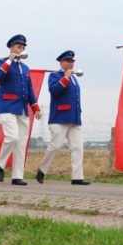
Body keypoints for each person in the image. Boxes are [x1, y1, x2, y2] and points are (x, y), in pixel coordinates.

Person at [0, 34, 42, 185]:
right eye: (18, 47)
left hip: (22, 108)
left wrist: (36, 108)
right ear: (11, 48)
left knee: (21, 143)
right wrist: (10, 59)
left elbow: (29, 90)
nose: (20, 49)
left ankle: (17, 176)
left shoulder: (26, 68)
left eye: (22, 47)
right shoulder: (2, 63)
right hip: (7, 106)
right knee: (13, 137)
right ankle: (0, 165)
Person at [36, 50, 89, 185]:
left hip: (74, 118)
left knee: (78, 147)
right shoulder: (55, 75)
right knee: (55, 146)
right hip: (59, 117)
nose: (71, 63)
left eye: (72, 61)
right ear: (61, 63)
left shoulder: (74, 78)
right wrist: (65, 78)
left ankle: (77, 177)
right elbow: (54, 91)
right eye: (68, 61)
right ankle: (42, 169)